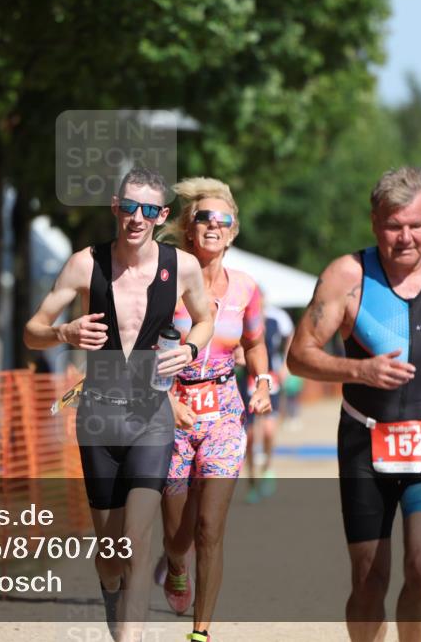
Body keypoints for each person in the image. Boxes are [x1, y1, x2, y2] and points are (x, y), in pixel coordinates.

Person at [287, 166, 421, 642]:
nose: (405, 237)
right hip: (365, 436)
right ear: (374, 222)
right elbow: (299, 355)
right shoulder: (348, 275)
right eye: (393, 225)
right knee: (369, 578)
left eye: (416, 225)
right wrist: (358, 370)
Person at [24, 167, 213, 642]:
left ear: (162, 215)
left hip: (152, 416)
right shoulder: (85, 265)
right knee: (110, 552)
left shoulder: (182, 266)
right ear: (115, 207)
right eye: (129, 207)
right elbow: (32, 330)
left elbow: (205, 319)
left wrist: (189, 350)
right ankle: (110, 587)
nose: (137, 217)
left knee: (135, 541)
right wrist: (63, 333)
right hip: (99, 416)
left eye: (149, 210)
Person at [148, 177, 270, 642]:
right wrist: (165, 398)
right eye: (204, 217)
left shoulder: (246, 289)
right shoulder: (163, 282)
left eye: (224, 219)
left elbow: (255, 344)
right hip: (170, 410)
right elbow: (138, 349)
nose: (214, 225)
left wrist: (261, 381)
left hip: (224, 411)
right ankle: (175, 564)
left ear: (234, 231)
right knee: (178, 536)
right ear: (187, 226)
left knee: (208, 527)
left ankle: (201, 633)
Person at [244, 298, 293, 502]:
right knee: (251, 436)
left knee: (269, 430)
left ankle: (267, 468)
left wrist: (285, 364)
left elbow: (291, 334)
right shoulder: (242, 319)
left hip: (270, 378)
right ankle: (252, 478)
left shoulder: (276, 319)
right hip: (246, 380)